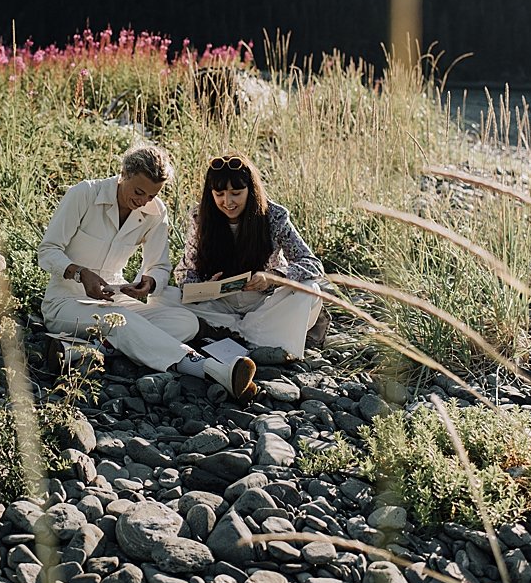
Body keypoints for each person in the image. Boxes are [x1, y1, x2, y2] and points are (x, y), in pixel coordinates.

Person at [38, 142, 257, 398]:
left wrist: (149, 283)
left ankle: (88, 348)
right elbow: (47, 251)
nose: (143, 201)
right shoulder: (84, 194)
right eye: (139, 191)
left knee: (184, 321)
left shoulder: (156, 212)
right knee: (121, 320)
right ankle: (211, 369)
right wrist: (80, 273)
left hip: (115, 298)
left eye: (151, 196)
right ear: (124, 175)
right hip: (65, 301)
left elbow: (160, 266)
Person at [162, 153, 326, 359]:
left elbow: (312, 264)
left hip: (265, 304)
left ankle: (238, 338)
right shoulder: (200, 218)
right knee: (164, 295)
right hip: (219, 304)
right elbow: (185, 271)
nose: (227, 202)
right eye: (219, 194)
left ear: (251, 190)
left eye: (236, 193)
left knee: (311, 290)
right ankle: (246, 336)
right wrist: (203, 286)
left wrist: (273, 277)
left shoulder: (274, 216)